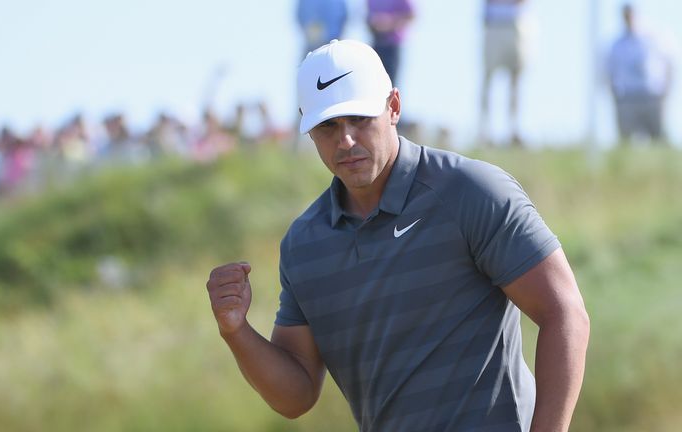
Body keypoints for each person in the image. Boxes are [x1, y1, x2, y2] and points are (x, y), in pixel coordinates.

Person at [206, 39, 589, 431]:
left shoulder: (470, 191)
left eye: (359, 118)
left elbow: (565, 314)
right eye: (329, 126)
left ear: (393, 107)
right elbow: (297, 395)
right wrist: (236, 331)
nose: (347, 141)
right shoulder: (304, 243)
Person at [606, 3, 675, 144]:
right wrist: (615, 95)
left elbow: (669, 64)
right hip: (628, 97)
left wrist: (666, 91)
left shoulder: (654, 39)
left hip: (652, 96)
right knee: (625, 141)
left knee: (658, 140)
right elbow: (611, 71)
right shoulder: (617, 45)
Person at [479, 0, 533, 147]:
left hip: (515, 24)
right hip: (494, 25)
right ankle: (485, 131)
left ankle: (514, 131)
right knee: (488, 80)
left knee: (515, 82)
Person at [366, 0, 414, 87]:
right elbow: (368, 16)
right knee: (373, 84)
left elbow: (411, 14)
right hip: (376, 44)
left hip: (392, 45)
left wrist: (389, 23)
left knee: (390, 86)